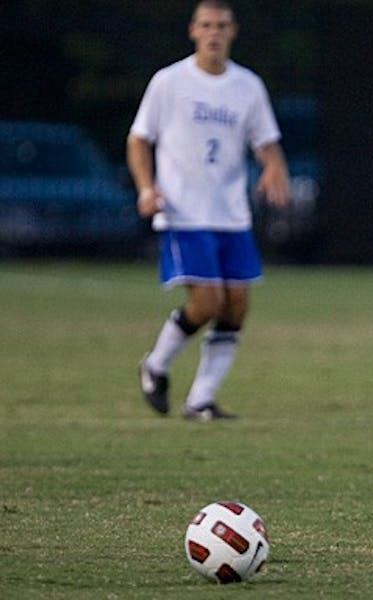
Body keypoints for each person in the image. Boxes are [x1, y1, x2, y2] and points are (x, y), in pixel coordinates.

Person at [128, 0, 290, 421]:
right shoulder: (169, 82)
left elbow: (266, 141)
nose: (213, 33)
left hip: (230, 212)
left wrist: (274, 168)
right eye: (206, 25)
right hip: (183, 210)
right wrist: (146, 187)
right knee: (207, 301)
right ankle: (156, 365)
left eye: (221, 25)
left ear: (233, 31)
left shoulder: (247, 86)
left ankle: (201, 399)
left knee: (236, 305)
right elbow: (139, 139)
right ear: (193, 31)